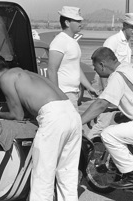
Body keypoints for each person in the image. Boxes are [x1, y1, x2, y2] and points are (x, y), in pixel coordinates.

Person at [0, 55, 81, 201]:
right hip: (71, 114)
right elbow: (25, 107)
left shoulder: (6, 78)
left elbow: (17, 115)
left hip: (52, 117)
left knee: (43, 171)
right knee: (67, 170)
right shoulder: (25, 74)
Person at [81, 47, 133, 189]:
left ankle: (131, 174)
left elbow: (101, 103)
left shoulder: (118, 76)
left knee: (108, 134)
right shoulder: (128, 68)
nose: (95, 70)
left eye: (95, 66)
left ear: (102, 64)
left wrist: (79, 122)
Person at [87, 13, 133, 139]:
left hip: (120, 93)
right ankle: (89, 144)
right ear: (124, 26)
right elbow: (103, 65)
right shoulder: (112, 41)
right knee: (103, 123)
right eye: (132, 28)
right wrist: (106, 94)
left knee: (112, 131)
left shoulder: (128, 44)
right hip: (111, 91)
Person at [48, 6, 97, 109]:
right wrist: (57, 96)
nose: (81, 24)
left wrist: (89, 87)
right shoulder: (60, 41)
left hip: (73, 93)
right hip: (64, 94)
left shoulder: (72, 41)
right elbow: (52, 70)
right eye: (77, 21)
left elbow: (76, 68)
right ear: (67, 23)